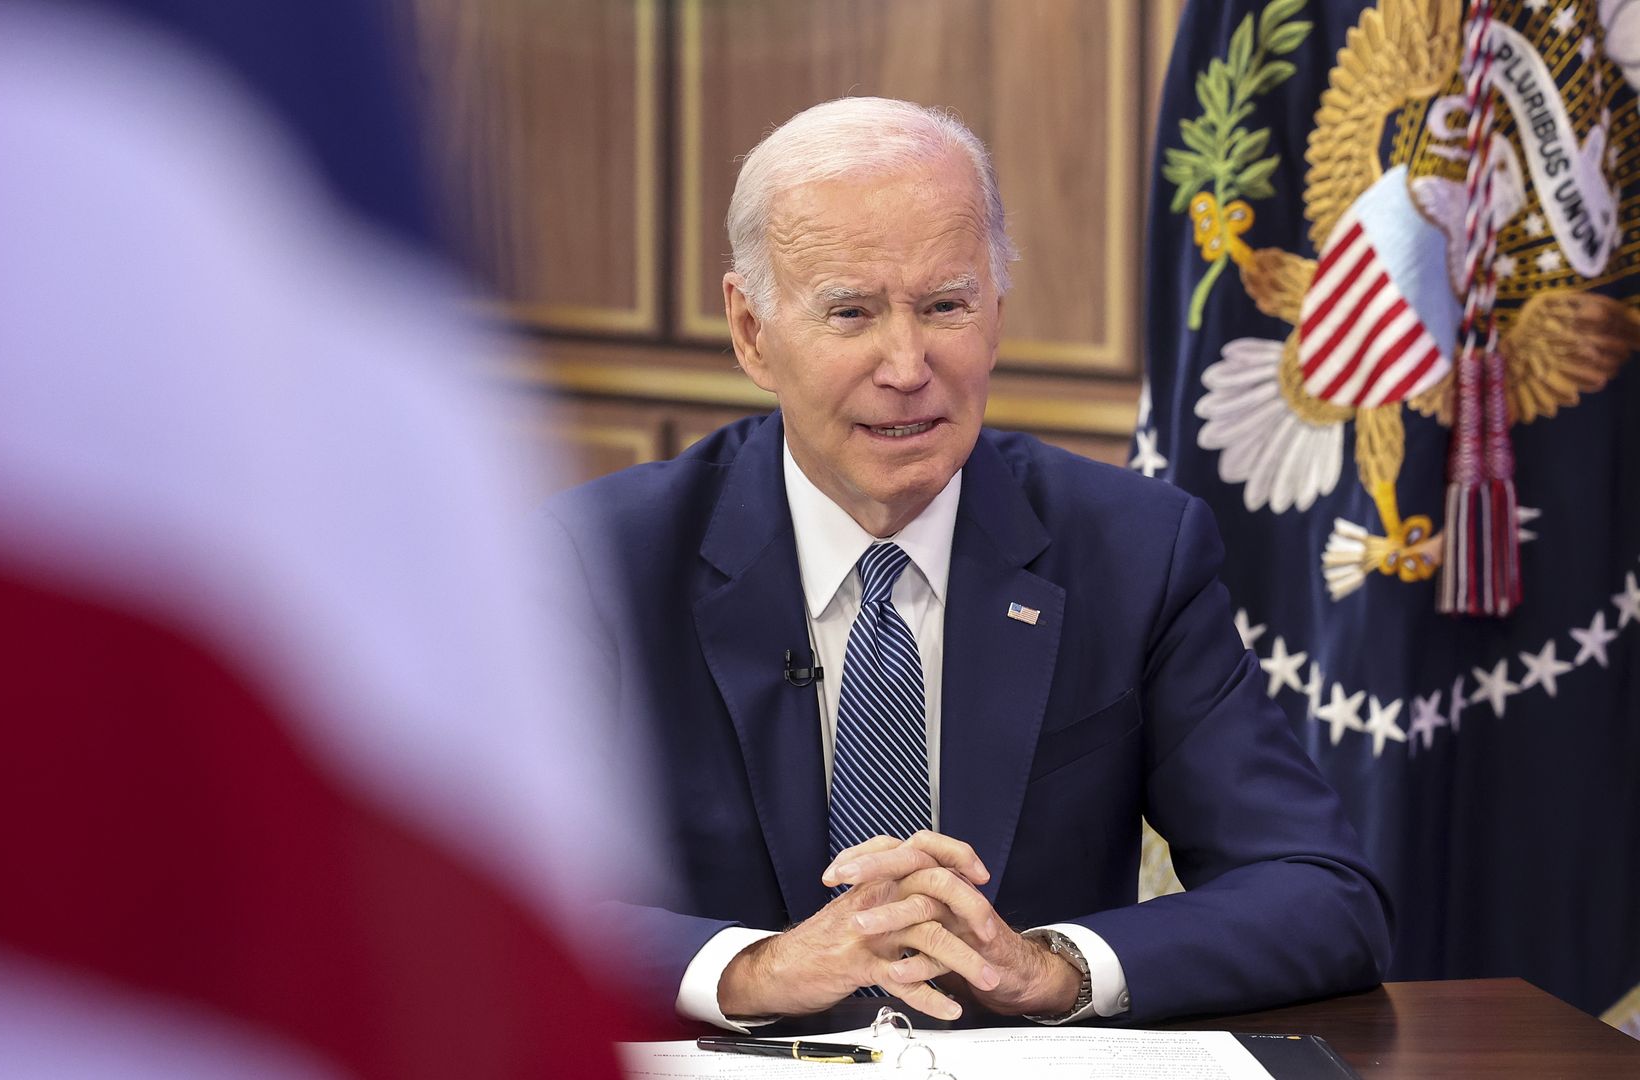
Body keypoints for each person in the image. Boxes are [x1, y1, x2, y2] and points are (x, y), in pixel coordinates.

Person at [543, 97, 1392, 1030]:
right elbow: (478, 895)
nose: (907, 364)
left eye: (945, 305)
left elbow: (1320, 894)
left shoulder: (1136, 551)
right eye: (851, 312)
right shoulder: (600, 562)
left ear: (995, 315)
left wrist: (1054, 968)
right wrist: (750, 970)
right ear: (752, 333)